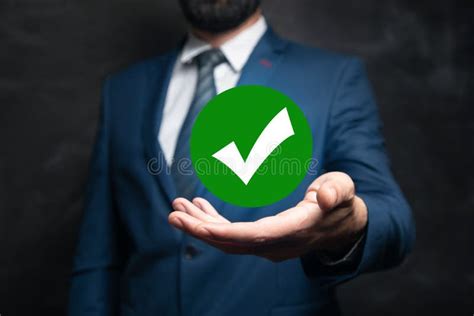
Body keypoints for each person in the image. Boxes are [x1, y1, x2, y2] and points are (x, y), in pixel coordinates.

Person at [68, 1, 415, 315]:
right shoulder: (124, 90)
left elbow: (393, 218)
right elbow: (98, 253)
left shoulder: (332, 78)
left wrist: (349, 223)